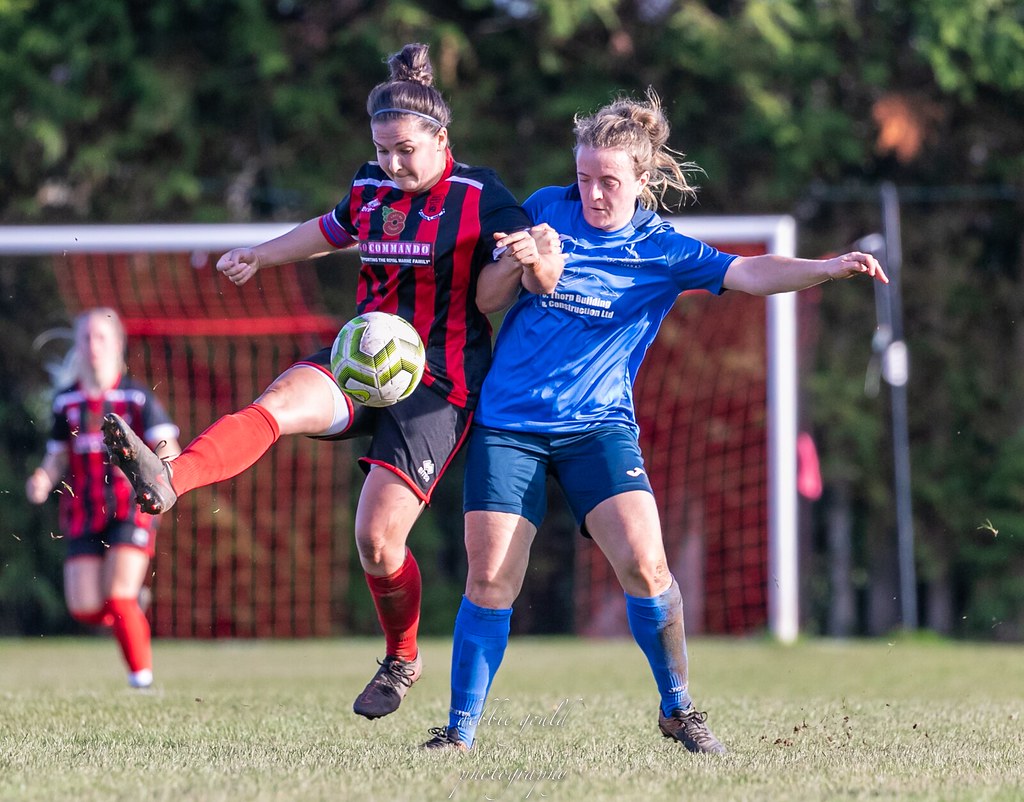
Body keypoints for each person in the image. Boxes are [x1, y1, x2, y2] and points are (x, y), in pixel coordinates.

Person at [101, 43, 560, 719]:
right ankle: (171, 480)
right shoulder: (371, 186)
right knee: (277, 403)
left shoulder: (482, 198)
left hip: (438, 381)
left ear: (442, 139)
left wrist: (526, 261)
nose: (393, 165)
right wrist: (259, 255)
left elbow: (499, 296)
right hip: (363, 355)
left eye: (406, 150)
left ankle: (403, 655)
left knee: (377, 540)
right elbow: (332, 228)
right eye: (382, 150)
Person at [423, 89, 888, 754]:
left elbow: (750, 272)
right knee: (490, 574)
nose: (592, 194)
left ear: (642, 180)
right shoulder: (545, 208)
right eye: (584, 178)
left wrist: (829, 266)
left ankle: (678, 709)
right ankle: (460, 732)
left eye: (608, 181)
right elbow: (487, 299)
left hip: (599, 427)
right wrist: (519, 261)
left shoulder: (662, 248)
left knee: (646, 563)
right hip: (510, 424)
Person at [25, 307, 181, 689]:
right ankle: (131, 609)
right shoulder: (66, 402)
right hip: (83, 511)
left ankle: (141, 681)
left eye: (101, 337)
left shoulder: (136, 397)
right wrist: (43, 478)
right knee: (83, 607)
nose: (93, 345)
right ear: (77, 345)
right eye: (86, 337)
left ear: (117, 345)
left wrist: (166, 473)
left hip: (131, 509)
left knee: (118, 595)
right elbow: (58, 454)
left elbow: (168, 446)